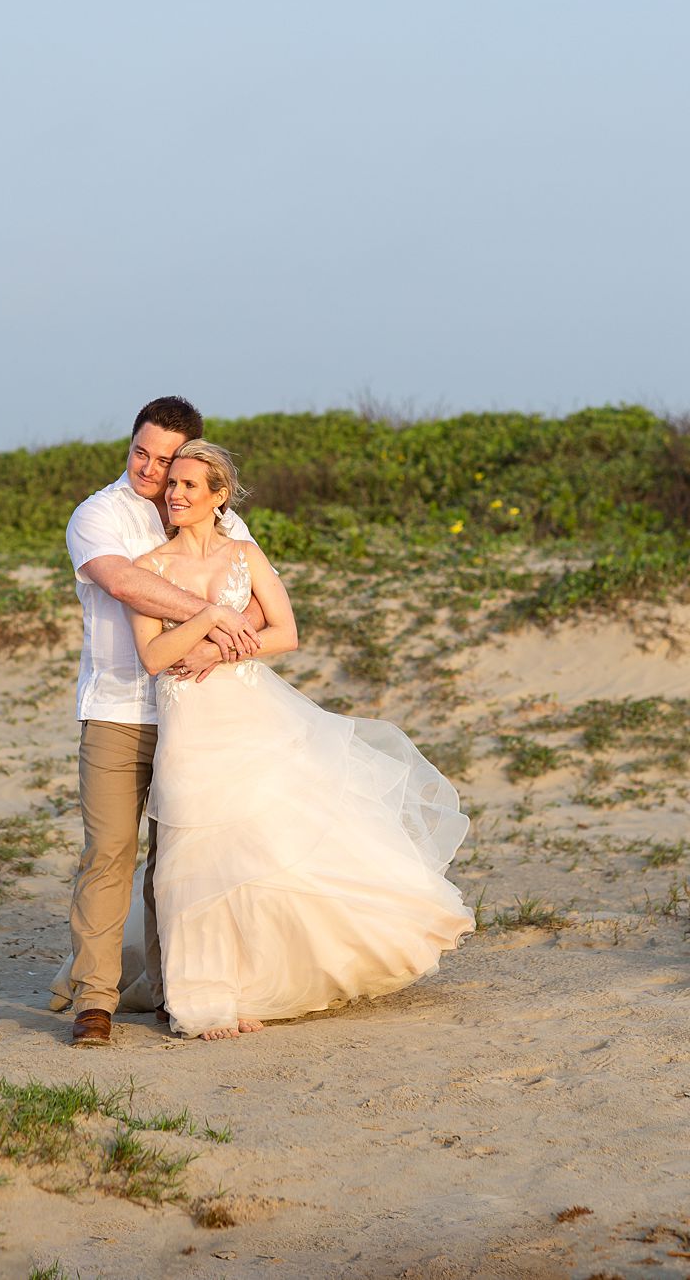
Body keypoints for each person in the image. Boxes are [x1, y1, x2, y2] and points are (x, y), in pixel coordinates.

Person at [130, 441, 473, 1038]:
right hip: (188, 721)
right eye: (172, 484)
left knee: (256, 847)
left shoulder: (245, 555)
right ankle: (205, 998)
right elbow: (155, 656)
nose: (175, 494)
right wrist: (210, 618)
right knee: (194, 854)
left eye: (189, 485)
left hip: (248, 713)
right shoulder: (148, 568)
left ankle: (256, 986)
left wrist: (217, 648)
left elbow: (286, 632)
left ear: (219, 497)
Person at [49, 396, 265, 1047]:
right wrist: (211, 614)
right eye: (139, 451)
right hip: (117, 709)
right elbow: (124, 583)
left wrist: (224, 634)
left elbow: (255, 598)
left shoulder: (219, 517)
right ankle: (95, 1001)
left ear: (191, 462)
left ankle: (179, 993)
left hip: (196, 715)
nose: (149, 469)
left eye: (165, 459)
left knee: (178, 860)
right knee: (110, 851)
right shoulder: (99, 514)